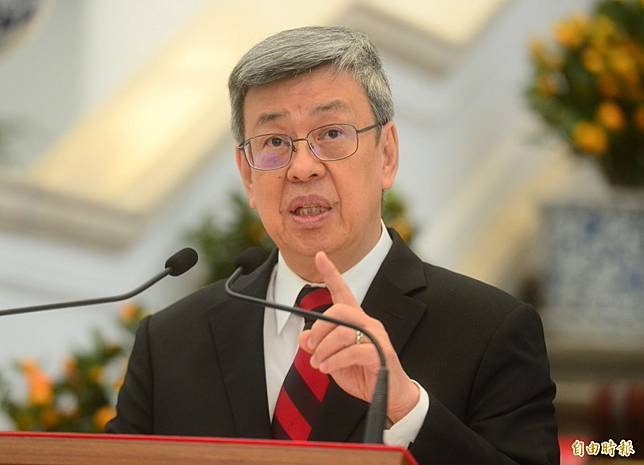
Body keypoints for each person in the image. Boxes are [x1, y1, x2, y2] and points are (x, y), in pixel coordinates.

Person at [107, 26, 559, 465]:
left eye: (331, 134)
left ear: (387, 154)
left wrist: (406, 410)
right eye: (275, 142)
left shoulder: (490, 331)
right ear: (247, 175)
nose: (303, 168)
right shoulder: (169, 343)